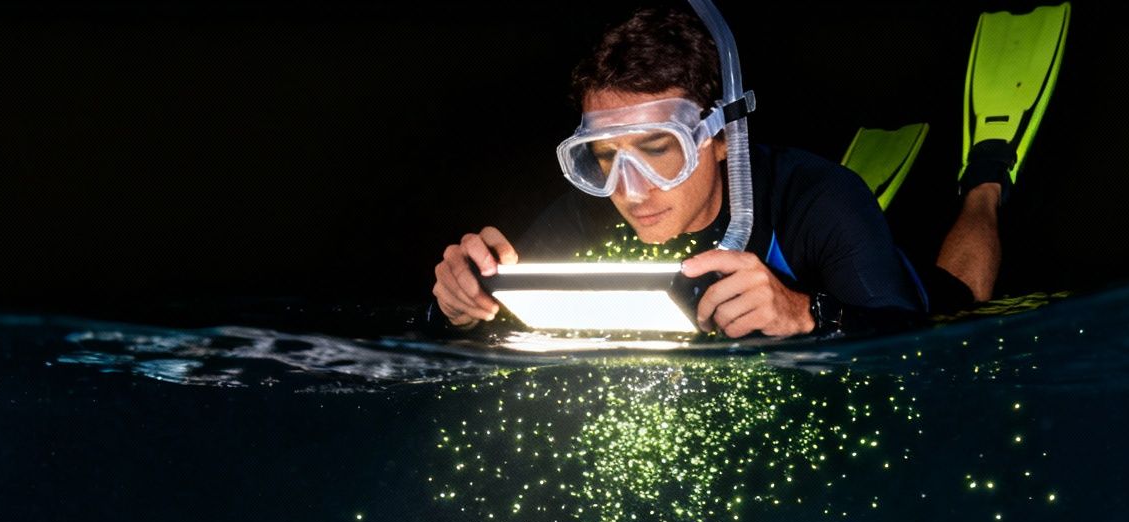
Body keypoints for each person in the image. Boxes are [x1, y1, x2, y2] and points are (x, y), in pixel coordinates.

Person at [429, 5, 1021, 339]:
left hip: (888, 275)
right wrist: (456, 305)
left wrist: (807, 313)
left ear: (717, 140)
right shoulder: (586, 215)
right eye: (606, 158)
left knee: (959, 296)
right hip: (827, 236)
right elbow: (501, 326)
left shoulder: (818, 197)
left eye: (658, 149)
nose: (630, 192)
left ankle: (986, 176)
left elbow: (907, 339)